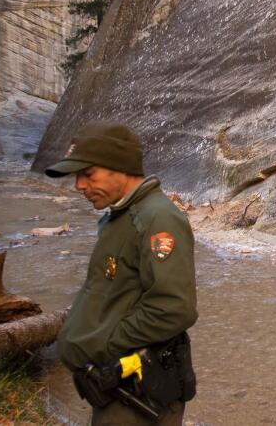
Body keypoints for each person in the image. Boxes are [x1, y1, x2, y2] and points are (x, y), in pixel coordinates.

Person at [45, 121, 197, 425]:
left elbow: (173, 309)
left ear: (120, 167)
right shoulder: (121, 216)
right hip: (115, 387)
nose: (79, 186)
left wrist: (103, 346)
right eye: (77, 176)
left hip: (137, 393)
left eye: (88, 174)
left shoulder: (157, 219)